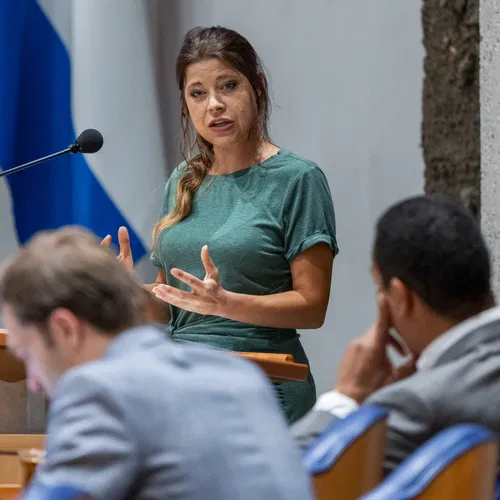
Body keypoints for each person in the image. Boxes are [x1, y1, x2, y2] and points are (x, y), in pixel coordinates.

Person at [103, 26, 338, 424]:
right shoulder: (183, 180)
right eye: (198, 93)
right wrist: (127, 293)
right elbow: (175, 308)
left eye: (228, 86)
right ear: (187, 104)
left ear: (257, 88)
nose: (214, 104)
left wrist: (228, 304)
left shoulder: (297, 179)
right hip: (177, 381)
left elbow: (312, 308)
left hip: (259, 381)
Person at [0, 227, 314, 500]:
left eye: (27, 354)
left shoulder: (98, 390)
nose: (33, 383)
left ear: (64, 328)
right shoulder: (239, 375)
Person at [291, 194, 499, 474]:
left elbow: (282, 481)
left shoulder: (417, 405)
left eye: (381, 289)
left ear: (400, 297)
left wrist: (346, 396)